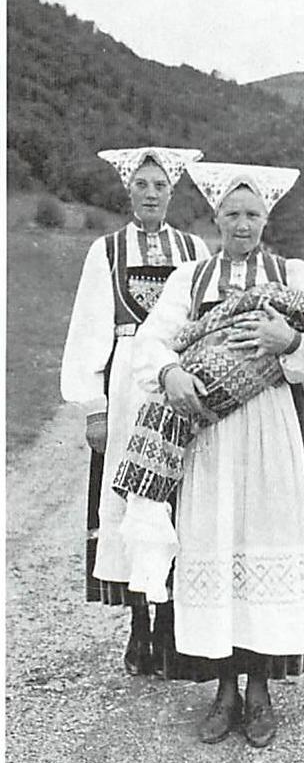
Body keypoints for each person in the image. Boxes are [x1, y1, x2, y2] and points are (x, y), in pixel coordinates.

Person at [131, 162, 304, 747]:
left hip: (271, 425)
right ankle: (223, 689)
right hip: (209, 434)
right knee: (215, 542)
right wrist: (169, 372)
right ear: (215, 217)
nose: (242, 225)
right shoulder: (191, 278)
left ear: (267, 218)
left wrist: (289, 341)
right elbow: (152, 339)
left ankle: (262, 691)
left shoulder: (290, 274)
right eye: (232, 214)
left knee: (262, 539)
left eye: (253, 214)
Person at [60, 146, 210, 677]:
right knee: (130, 494)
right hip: (126, 381)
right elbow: (89, 328)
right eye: (142, 185)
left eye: (160, 186)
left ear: (173, 192)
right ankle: (137, 623)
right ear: (129, 190)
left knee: (177, 492)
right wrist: (95, 407)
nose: (151, 194)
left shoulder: (193, 249)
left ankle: (170, 621)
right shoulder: (106, 251)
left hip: (175, 377)